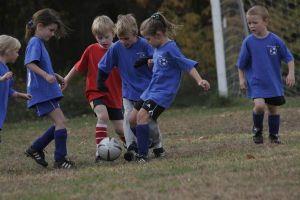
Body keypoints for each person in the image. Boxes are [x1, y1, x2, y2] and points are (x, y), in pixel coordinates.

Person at [133, 12, 210, 162]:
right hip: (151, 89)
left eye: (148, 39)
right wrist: (152, 63)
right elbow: (163, 66)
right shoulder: (157, 48)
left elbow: (186, 65)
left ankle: (142, 155)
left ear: (159, 34)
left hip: (162, 93)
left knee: (142, 117)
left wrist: (199, 80)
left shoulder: (171, 48)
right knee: (131, 119)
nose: (147, 42)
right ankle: (148, 141)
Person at [98, 14, 164, 161]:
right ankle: (131, 146)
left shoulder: (145, 44)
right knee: (128, 118)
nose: (123, 42)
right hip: (128, 92)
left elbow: (159, 58)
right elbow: (104, 66)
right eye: (120, 38)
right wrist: (100, 82)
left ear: (135, 34)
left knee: (149, 123)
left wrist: (148, 59)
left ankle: (157, 143)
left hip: (147, 91)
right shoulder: (116, 48)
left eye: (126, 38)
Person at [63, 15, 124, 163]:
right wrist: (65, 80)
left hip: (115, 95)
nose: (103, 40)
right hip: (95, 91)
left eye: (106, 37)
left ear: (114, 33)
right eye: (99, 37)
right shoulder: (91, 50)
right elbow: (78, 67)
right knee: (102, 116)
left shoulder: (121, 49)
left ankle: (133, 146)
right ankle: (100, 153)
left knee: (121, 129)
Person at [24, 8, 75, 169]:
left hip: (45, 91)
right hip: (42, 92)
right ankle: (60, 160)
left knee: (59, 122)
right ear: (39, 26)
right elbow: (29, 63)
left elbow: (41, 66)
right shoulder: (35, 42)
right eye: (51, 30)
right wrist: (46, 77)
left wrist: (56, 75)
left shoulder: (38, 43)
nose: (52, 34)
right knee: (61, 122)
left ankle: (36, 148)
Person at [237, 5, 295, 144]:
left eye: (255, 22)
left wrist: (291, 73)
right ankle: (257, 130)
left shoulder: (275, 40)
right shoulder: (248, 42)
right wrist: (241, 79)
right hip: (256, 81)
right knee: (259, 106)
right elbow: (241, 64)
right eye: (249, 23)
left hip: (272, 82)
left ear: (266, 21)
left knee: (273, 109)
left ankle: (274, 136)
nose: (251, 26)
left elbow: (289, 58)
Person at [0, 35, 31, 143]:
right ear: (8, 51)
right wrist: (2, 78)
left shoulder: (5, 68)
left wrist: (21, 95)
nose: (18, 54)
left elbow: (7, 90)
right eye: (16, 51)